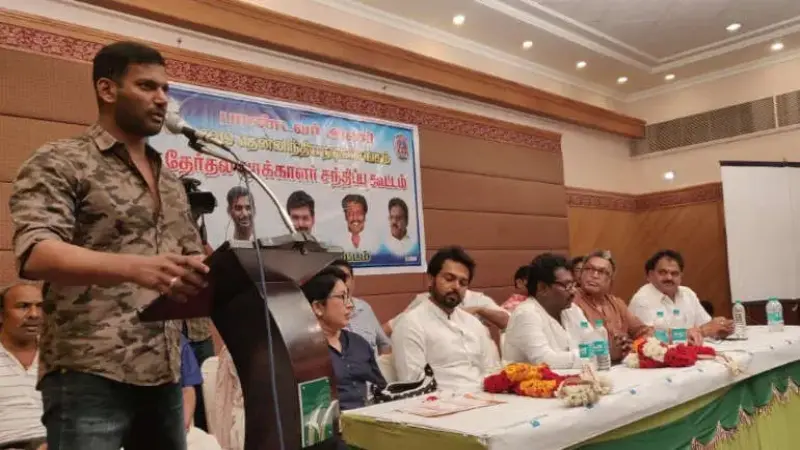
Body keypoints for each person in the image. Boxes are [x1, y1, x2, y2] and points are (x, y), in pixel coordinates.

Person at [9, 41, 209, 450]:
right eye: (147, 86)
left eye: (165, 89)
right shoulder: (61, 160)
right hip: (90, 371)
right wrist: (137, 267)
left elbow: (190, 257)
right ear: (107, 89)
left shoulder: (170, 179)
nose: (162, 99)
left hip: (163, 371)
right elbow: (35, 252)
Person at [392, 247, 500, 392]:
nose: (456, 287)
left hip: (486, 397)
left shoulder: (473, 323)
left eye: (463, 283)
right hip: (441, 401)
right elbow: (413, 385)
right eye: (449, 279)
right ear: (431, 279)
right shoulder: (411, 324)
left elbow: (492, 370)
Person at [305, 266, 386, 410]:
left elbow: (381, 389)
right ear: (318, 307)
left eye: (349, 297)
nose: (350, 305)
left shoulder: (359, 343)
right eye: (342, 297)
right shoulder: (306, 352)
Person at [567, 250, 654, 363]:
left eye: (602, 272)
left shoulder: (617, 304)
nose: (594, 275)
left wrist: (633, 346)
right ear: (581, 274)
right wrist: (607, 351)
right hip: (590, 366)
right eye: (589, 269)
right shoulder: (570, 300)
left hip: (622, 366)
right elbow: (572, 346)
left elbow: (644, 331)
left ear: (610, 281)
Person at [629, 250, 733, 340]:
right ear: (650, 275)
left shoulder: (688, 294)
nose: (669, 278)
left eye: (674, 273)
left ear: (681, 276)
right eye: (663, 272)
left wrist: (719, 328)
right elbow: (649, 338)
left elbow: (705, 325)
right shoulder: (642, 300)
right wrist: (701, 331)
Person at [502, 254, 582, 369]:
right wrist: (588, 356)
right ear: (542, 288)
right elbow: (545, 361)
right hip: (531, 380)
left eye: (573, 284)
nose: (573, 291)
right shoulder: (526, 314)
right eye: (567, 285)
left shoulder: (572, 309)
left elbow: (594, 341)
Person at [0, 283, 46, 450]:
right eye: (23, 306)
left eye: (40, 306)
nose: (34, 314)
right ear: (1, 315)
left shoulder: (59, 355)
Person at [384, 288, 510, 336]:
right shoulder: (423, 300)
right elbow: (389, 327)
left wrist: (479, 310)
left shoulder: (477, 299)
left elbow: (508, 322)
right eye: (448, 278)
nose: (454, 285)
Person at [330, 260, 391, 355]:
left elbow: (385, 345)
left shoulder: (364, 308)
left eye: (346, 277)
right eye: (338, 278)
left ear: (353, 280)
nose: (342, 282)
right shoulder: (327, 314)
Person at [179, 336, 222, 450]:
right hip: (137, 428)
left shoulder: (176, 341)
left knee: (209, 445)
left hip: (173, 427)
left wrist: (182, 427)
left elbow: (187, 389)